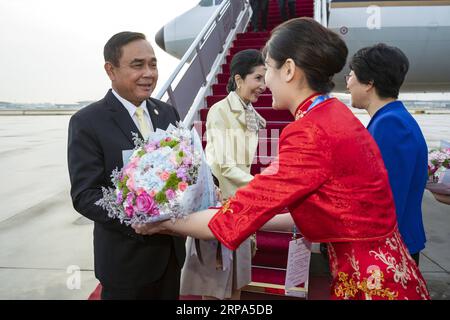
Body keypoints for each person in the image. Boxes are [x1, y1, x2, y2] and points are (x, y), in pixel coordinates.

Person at [133, 18, 430, 300]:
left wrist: (167, 223)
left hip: (370, 283)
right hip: (388, 270)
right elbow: (325, 209)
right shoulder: (334, 114)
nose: (267, 82)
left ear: (288, 69)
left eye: (269, 71)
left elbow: (240, 214)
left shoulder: (311, 131)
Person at [67, 31, 186, 300]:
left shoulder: (166, 112)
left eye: (153, 64)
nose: (149, 73)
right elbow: (85, 195)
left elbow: (184, 165)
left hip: (171, 256)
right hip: (126, 262)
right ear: (111, 70)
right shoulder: (88, 122)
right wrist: (139, 218)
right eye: (137, 65)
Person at [181, 49, 267, 300]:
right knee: (216, 283)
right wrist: (261, 185)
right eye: (257, 78)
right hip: (223, 203)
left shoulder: (249, 111)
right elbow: (223, 164)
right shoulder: (220, 111)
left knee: (237, 279)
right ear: (239, 80)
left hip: (241, 200)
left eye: (264, 78)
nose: (263, 85)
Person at [346, 43, 428, 266]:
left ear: (369, 82)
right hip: (393, 245)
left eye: (351, 75)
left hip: (389, 250)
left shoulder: (389, 125)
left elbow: (384, 200)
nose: (348, 83)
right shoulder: (391, 119)